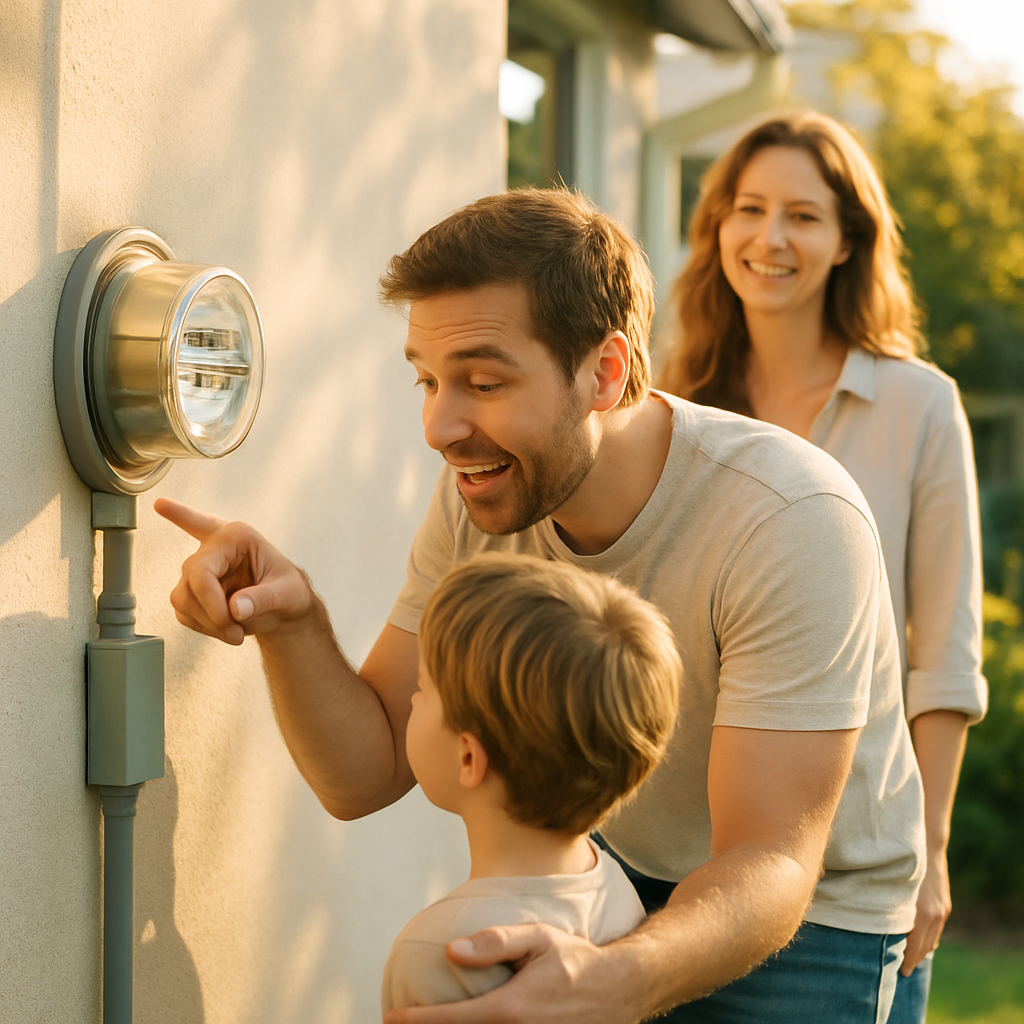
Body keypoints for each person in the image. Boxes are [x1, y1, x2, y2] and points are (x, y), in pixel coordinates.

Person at [155, 186, 925, 1024]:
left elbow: (771, 857)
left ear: (604, 372)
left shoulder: (789, 518)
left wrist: (615, 980)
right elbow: (369, 769)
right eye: (427, 380)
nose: (439, 426)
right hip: (613, 880)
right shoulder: (484, 496)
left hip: (807, 915)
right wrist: (291, 620)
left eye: (482, 382)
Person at [658, 110, 987, 1024]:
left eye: (802, 215)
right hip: (667, 875)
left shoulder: (920, 406)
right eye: (748, 208)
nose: (770, 238)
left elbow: (946, 656)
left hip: (847, 889)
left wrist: (931, 845)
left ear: (848, 240)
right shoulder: (670, 403)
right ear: (717, 226)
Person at [381, 551, 681, 1013]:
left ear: (468, 757)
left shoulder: (440, 951)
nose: (413, 700)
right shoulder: (613, 888)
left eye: (422, 688)